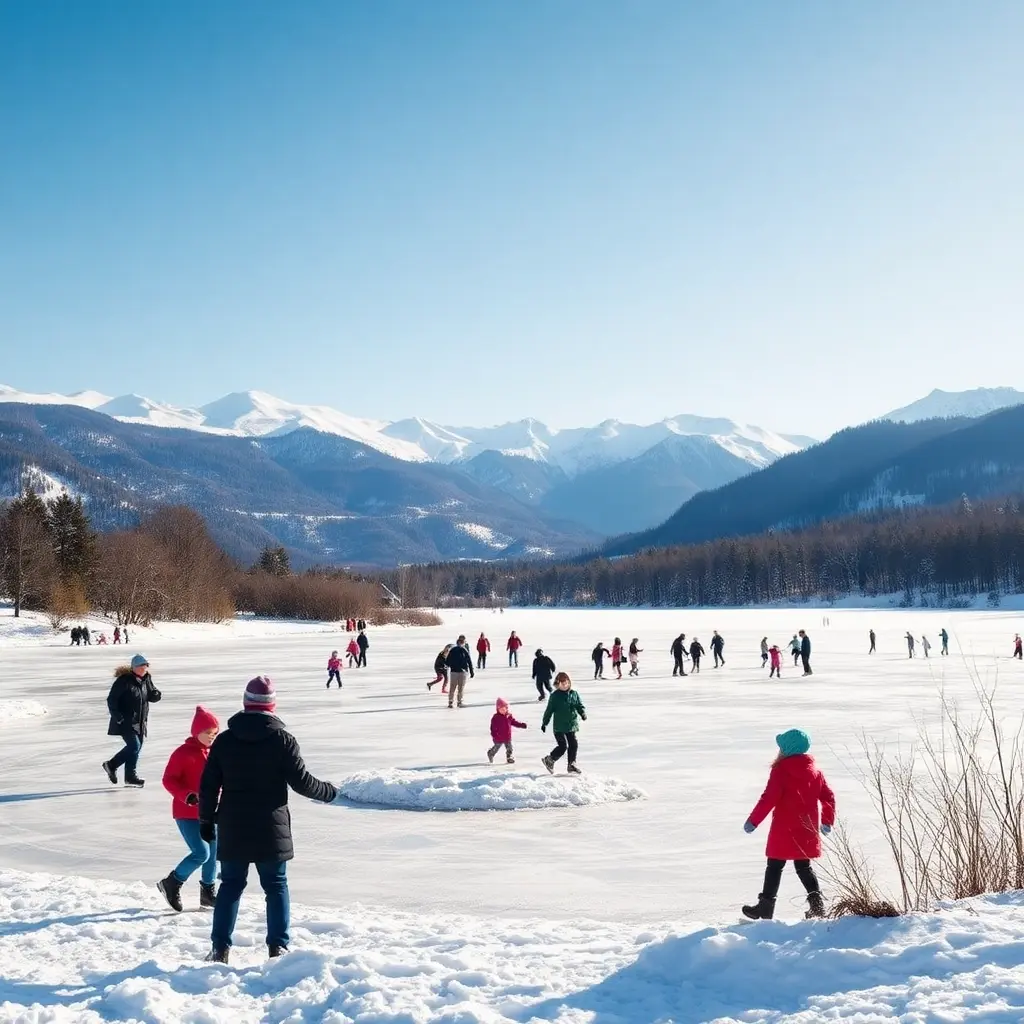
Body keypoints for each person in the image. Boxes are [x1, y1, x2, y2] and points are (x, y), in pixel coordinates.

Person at [199, 676, 338, 964]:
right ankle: (278, 949)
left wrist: (205, 820)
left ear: (245, 703)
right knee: (275, 886)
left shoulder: (224, 740)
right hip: (270, 826)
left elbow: (209, 785)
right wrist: (330, 792)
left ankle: (220, 950)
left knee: (231, 886)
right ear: (272, 705)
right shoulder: (282, 740)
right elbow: (302, 782)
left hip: (233, 824)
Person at [741, 728, 835, 921]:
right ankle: (817, 907)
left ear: (786, 749)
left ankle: (765, 908)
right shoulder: (815, 772)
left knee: (774, 866)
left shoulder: (781, 770)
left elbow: (769, 798)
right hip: (806, 829)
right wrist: (827, 821)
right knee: (804, 867)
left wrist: (753, 821)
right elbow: (828, 797)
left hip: (784, 828)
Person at [157, 706, 221, 913]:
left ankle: (208, 893)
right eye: (208, 733)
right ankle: (172, 882)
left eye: (214, 733)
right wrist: (187, 795)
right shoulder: (183, 753)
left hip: (210, 812)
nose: (212, 737)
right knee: (201, 853)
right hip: (187, 813)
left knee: (213, 853)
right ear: (196, 732)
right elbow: (169, 780)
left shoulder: (214, 753)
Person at [103, 654, 161, 787]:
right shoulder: (124, 680)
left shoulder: (147, 679)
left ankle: (130, 777)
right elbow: (111, 700)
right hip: (125, 721)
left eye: (145, 665)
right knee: (134, 746)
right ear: (134, 667)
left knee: (136, 748)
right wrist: (118, 717)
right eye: (141, 666)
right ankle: (111, 765)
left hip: (140, 721)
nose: (144, 668)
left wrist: (157, 695)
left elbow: (151, 695)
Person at [541, 672, 586, 775]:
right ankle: (549, 760)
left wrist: (582, 713)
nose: (565, 685)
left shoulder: (574, 693)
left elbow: (579, 705)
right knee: (563, 746)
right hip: (559, 726)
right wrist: (545, 723)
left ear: (569, 682)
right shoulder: (555, 696)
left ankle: (572, 764)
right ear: (558, 684)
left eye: (566, 683)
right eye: (562, 683)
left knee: (573, 744)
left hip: (571, 725)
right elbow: (549, 710)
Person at [488, 698, 527, 764]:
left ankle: (509, 757)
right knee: (496, 747)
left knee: (509, 747)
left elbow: (514, 722)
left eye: (504, 709)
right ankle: (491, 753)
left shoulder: (509, 716)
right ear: (498, 709)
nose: (503, 710)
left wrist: (521, 725)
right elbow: (492, 728)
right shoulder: (495, 718)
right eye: (501, 709)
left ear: (506, 708)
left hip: (507, 736)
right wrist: (494, 735)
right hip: (498, 737)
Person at [446, 635, 475, 708]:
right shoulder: (464, 650)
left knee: (453, 687)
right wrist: (471, 671)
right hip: (462, 672)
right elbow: (469, 661)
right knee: (460, 688)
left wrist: (450, 665)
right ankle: (459, 702)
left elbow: (447, 662)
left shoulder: (452, 650)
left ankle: (451, 702)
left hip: (454, 672)